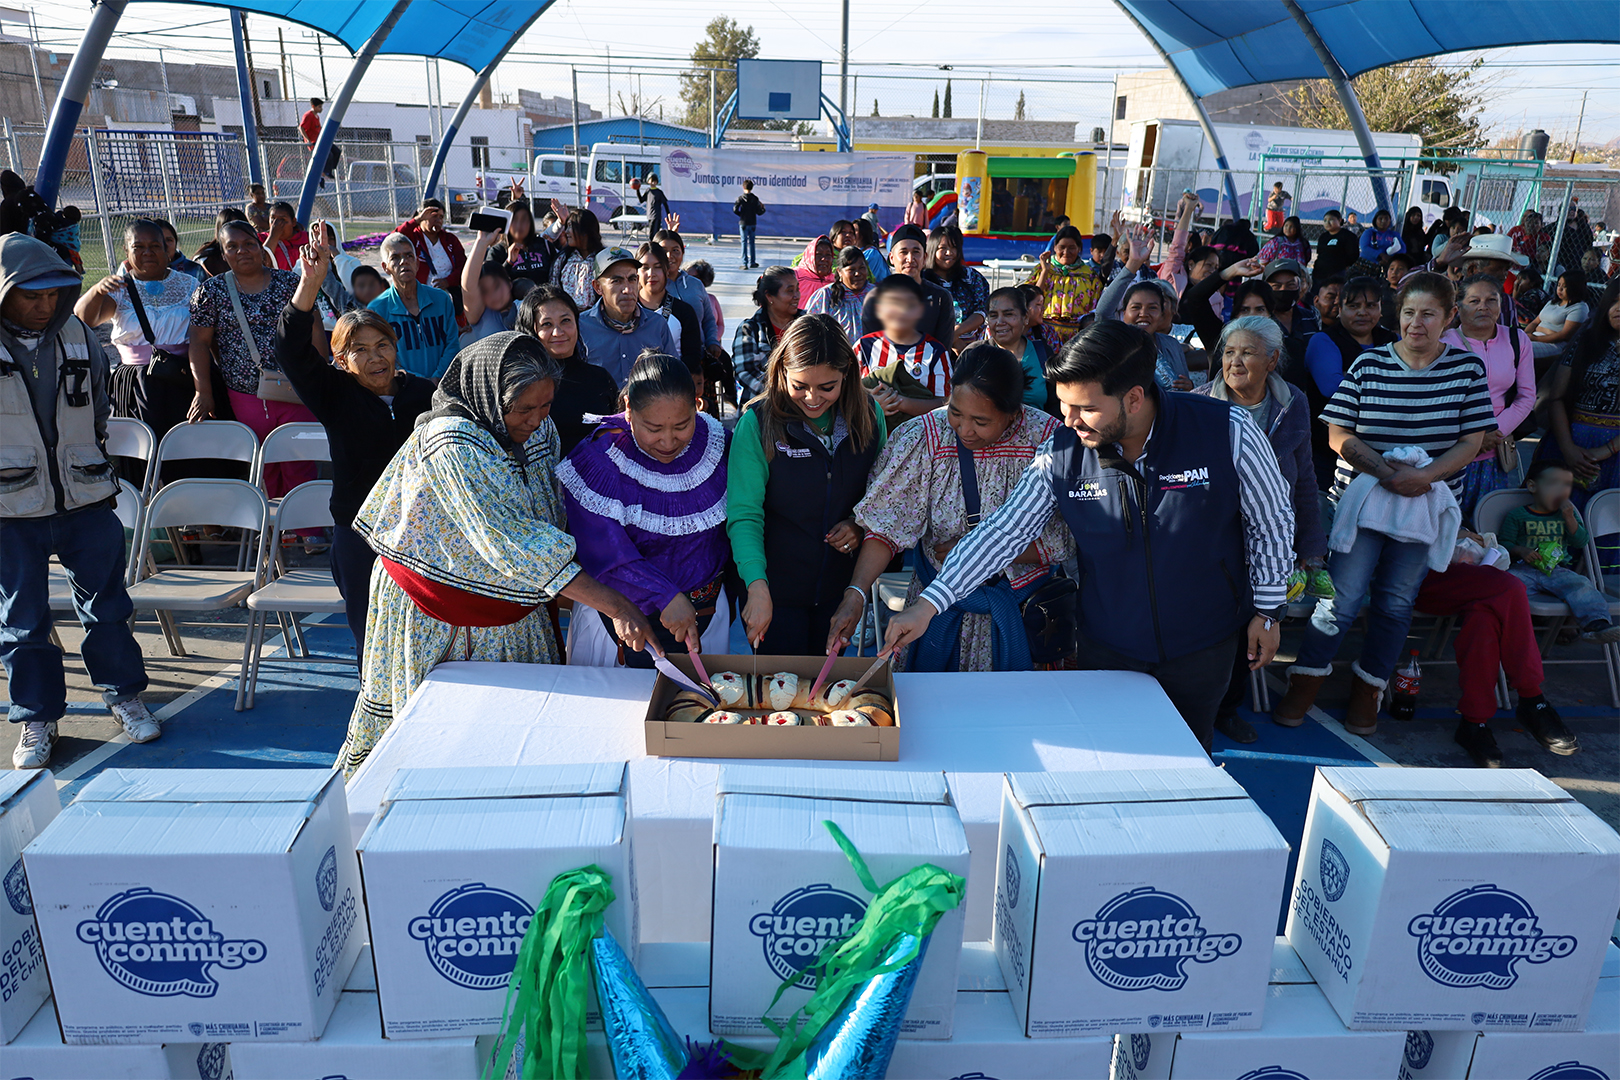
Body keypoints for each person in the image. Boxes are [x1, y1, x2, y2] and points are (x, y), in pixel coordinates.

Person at [883, 320, 1295, 752]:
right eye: (1064, 405)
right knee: (1111, 755)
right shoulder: (1063, 451)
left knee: (1188, 756)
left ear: (1134, 397)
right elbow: (1003, 532)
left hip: (1204, 643)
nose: (1069, 420)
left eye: (1085, 408)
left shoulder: (1226, 430)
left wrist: (1268, 610)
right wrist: (930, 604)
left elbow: (1271, 522)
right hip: (1108, 644)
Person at [341, 332, 653, 774]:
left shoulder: (539, 429)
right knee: (440, 741)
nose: (536, 419)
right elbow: (511, 540)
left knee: (513, 738)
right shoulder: (450, 442)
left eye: (546, 405)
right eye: (523, 409)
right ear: (489, 395)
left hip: (509, 603)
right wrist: (615, 605)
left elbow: (549, 506)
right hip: (436, 609)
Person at [1274, 273, 1495, 738]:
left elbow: (1471, 442)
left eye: (1429, 314)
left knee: (1396, 603)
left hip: (1424, 508)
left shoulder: (1467, 369)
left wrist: (1424, 477)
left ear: (1448, 318)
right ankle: (1305, 681)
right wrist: (1386, 472)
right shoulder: (1369, 363)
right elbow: (1338, 434)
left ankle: (1368, 689)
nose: (1417, 323)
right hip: (1363, 502)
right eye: (1410, 312)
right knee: (1341, 599)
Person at [1, 232, 162, 768]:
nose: (45, 306)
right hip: (11, 510)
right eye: (31, 296)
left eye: (53, 294)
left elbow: (97, 409)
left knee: (108, 608)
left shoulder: (77, 333)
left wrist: (84, 458)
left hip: (85, 498)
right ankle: (37, 717)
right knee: (22, 622)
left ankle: (124, 695)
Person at [829, 342, 1073, 670]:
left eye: (981, 421)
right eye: (955, 412)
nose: (964, 430)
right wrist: (855, 593)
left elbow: (1063, 539)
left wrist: (971, 550)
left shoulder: (1047, 441)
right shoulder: (924, 436)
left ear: (1014, 413)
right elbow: (886, 526)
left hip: (1024, 613)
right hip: (934, 613)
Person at [276, 235, 435, 649]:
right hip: (359, 534)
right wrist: (310, 283)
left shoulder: (424, 394)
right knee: (373, 640)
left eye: (382, 345)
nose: (375, 357)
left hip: (421, 530)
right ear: (342, 361)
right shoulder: (334, 394)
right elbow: (291, 350)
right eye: (360, 350)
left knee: (426, 637)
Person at [1196, 316, 1327, 743]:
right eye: (1229, 352)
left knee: (1254, 623)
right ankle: (1197, 706)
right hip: (1214, 538)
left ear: (1272, 360)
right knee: (1209, 626)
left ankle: (1227, 709)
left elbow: (1304, 476)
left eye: (1247, 352)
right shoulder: (1200, 404)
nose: (1234, 361)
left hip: (1270, 537)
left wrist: (1310, 547)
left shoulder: (1293, 403)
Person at [726, 314, 887, 655]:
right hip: (773, 591)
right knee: (781, 684)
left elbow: (881, 497)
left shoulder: (871, 416)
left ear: (848, 374)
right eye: (799, 386)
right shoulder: (757, 423)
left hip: (839, 591)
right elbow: (745, 515)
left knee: (828, 685)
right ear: (781, 371)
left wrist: (858, 524)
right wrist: (756, 585)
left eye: (827, 387)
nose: (813, 398)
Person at [560, 351, 731, 667]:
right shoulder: (600, 460)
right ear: (628, 409)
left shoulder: (716, 444)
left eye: (682, 425)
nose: (668, 441)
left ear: (697, 406)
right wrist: (664, 595)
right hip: (621, 626)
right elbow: (605, 553)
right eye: (653, 428)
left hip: (705, 618)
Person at [187, 220, 321, 497]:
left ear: (261, 248)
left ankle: (305, 522)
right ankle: (274, 522)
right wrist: (203, 392)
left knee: (300, 462)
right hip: (245, 394)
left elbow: (314, 326)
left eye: (249, 244)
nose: (242, 251)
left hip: (296, 390)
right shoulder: (211, 292)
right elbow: (199, 343)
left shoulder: (289, 283)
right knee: (264, 466)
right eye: (232, 247)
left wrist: (321, 377)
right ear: (223, 254)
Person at [74, 220, 199, 457]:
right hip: (135, 383)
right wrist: (97, 290)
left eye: (155, 246)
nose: (147, 252)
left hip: (181, 377)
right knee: (141, 450)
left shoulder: (189, 285)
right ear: (126, 250)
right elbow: (84, 319)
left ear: (167, 249)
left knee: (184, 448)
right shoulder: (118, 288)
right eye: (138, 247)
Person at [1537, 278, 1620, 567]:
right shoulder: (1586, 340)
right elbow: (1557, 397)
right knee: (1551, 535)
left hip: (1614, 456)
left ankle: (1589, 593)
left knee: (1602, 539)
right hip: (1569, 443)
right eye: (1615, 301)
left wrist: (1605, 450)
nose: (1619, 308)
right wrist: (1569, 449)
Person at [1440, 274, 1536, 520]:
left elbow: (1526, 395)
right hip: (1451, 452)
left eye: (1491, 300)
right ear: (1458, 307)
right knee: (1445, 523)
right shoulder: (1443, 344)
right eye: (1474, 301)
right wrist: (1472, 440)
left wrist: (1495, 432)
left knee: (1487, 525)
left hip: (1495, 452)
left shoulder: (1517, 339)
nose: (1483, 307)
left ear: (1501, 305)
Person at [1500, 460, 1620, 643]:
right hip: (1524, 569)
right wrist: (1521, 550)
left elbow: (1581, 541)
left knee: (1581, 584)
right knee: (1503, 584)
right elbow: (1503, 543)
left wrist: (1570, 519)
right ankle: (1501, 628)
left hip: (1556, 570)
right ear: (1532, 486)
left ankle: (1597, 624)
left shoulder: (1567, 515)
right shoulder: (1517, 515)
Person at [1303, 275, 1399, 489]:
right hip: (1329, 454)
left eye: (1370, 305)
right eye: (1353, 306)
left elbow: (1410, 383)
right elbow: (1333, 389)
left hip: (1386, 452)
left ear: (1381, 309)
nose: (1362, 312)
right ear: (1340, 309)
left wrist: (1351, 377)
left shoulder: (1393, 341)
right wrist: (1388, 383)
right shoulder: (1323, 341)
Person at [515, 285, 617, 456]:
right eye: (547, 324)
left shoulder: (600, 379)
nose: (558, 332)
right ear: (531, 330)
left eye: (565, 321)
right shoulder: (521, 386)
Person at [576, 246, 679, 386]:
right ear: (598, 287)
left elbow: (674, 377)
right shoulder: (581, 327)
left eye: (632, 279)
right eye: (616, 281)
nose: (627, 289)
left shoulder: (656, 325)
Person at [859, 273, 950, 424]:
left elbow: (945, 402)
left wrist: (899, 402)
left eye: (908, 304)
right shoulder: (863, 347)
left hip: (920, 435)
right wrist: (871, 403)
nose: (900, 310)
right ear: (879, 308)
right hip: (871, 434)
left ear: (920, 309)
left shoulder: (935, 352)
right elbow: (845, 391)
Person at [368, 232, 459, 379]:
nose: (404, 261)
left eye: (409, 256)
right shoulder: (377, 310)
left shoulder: (441, 299)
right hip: (404, 387)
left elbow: (452, 344)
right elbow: (383, 358)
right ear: (385, 267)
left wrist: (437, 378)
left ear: (417, 264)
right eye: (395, 257)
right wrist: (418, 383)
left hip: (444, 383)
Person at [859, 224, 954, 347]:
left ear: (925, 258)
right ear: (891, 258)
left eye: (916, 252)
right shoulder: (874, 298)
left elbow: (943, 348)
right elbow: (870, 347)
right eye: (903, 252)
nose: (910, 259)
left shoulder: (940, 298)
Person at [635, 240, 703, 376]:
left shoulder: (684, 311)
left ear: (667, 271)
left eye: (658, 267)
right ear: (636, 272)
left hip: (672, 382)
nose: (651, 274)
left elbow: (693, 356)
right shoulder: (625, 310)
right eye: (645, 267)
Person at [732, 266, 801, 400]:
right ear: (769, 296)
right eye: (790, 291)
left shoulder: (808, 324)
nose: (796, 296)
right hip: (763, 404)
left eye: (797, 289)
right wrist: (782, 394)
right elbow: (746, 372)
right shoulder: (750, 329)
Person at [654, 230, 722, 365]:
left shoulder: (695, 284)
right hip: (664, 360)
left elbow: (708, 319)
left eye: (675, 250)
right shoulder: (651, 285)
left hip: (698, 356)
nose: (669, 256)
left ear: (683, 253)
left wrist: (712, 342)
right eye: (663, 250)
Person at [1029, 224, 1102, 342]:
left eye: (1072, 248)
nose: (1066, 252)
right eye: (1061, 247)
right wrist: (1045, 272)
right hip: (1043, 334)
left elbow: (1096, 308)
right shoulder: (1041, 269)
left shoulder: (1089, 275)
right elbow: (1030, 299)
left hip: (1077, 337)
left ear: (1079, 248)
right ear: (1055, 247)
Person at [925, 224, 990, 351]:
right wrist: (953, 341)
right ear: (932, 249)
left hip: (972, 346)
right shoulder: (923, 280)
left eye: (954, 248)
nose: (949, 253)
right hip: (932, 346)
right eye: (943, 248)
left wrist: (957, 332)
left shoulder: (972, 277)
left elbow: (982, 311)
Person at [983, 286, 1048, 408]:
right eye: (993, 315)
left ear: (1025, 317)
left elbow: (1056, 404)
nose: (1000, 322)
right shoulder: (975, 355)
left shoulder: (1042, 353)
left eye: (1008, 314)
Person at [397, 199, 466, 305]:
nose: (438, 220)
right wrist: (417, 220)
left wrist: (448, 281)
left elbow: (463, 266)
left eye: (441, 217)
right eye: (434, 216)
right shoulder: (413, 237)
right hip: (419, 295)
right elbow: (394, 238)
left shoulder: (450, 239)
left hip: (449, 294)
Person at [804, 246, 872, 344]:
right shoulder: (825, 295)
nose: (857, 273)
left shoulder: (876, 294)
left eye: (861, 268)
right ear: (839, 272)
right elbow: (810, 330)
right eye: (851, 269)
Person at [489, 200, 554, 287]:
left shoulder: (545, 245)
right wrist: (509, 262)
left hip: (544, 295)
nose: (519, 224)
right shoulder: (497, 251)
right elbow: (490, 284)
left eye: (524, 219)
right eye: (514, 220)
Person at [1528, 268, 1589, 361]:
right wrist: (1525, 335)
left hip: (1554, 344)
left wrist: (1536, 338)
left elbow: (1564, 335)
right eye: (1559, 285)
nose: (1560, 289)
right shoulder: (1552, 303)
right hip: (1535, 337)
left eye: (1565, 286)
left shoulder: (1579, 307)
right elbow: (1535, 322)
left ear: (1575, 288)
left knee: (1520, 349)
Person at [552, 208, 604, 311]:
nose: (566, 232)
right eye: (567, 227)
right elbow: (554, 288)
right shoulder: (563, 259)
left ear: (585, 231)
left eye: (571, 227)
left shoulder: (602, 258)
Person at [1314, 209, 1359, 280]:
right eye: (1325, 220)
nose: (1327, 223)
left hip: (1339, 272)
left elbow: (1353, 255)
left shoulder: (1348, 236)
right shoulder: (1323, 237)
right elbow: (1320, 253)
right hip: (1321, 272)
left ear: (1340, 220)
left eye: (1331, 220)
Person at [261, 202, 305, 272]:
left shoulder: (305, 238)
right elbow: (262, 264)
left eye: (282, 220)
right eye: (273, 219)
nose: (276, 224)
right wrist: (273, 236)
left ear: (293, 222)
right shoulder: (262, 239)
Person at [733, 180, 764, 269]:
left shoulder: (740, 198)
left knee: (744, 242)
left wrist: (741, 215)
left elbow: (735, 209)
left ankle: (745, 263)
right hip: (752, 222)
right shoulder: (755, 198)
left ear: (743, 187)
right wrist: (763, 208)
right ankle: (753, 262)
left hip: (743, 222)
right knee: (752, 242)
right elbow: (759, 212)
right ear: (752, 188)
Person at [795, 235, 836, 304]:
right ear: (809, 256)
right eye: (818, 254)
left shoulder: (836, 281)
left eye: (828, 255)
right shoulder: (796, 276)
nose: (824, 259)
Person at [856, 217, 890, 285]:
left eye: (853, 230)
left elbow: (863, 280)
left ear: (862, 234)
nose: (849, 234)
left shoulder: (871, 254)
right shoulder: (859, 251)